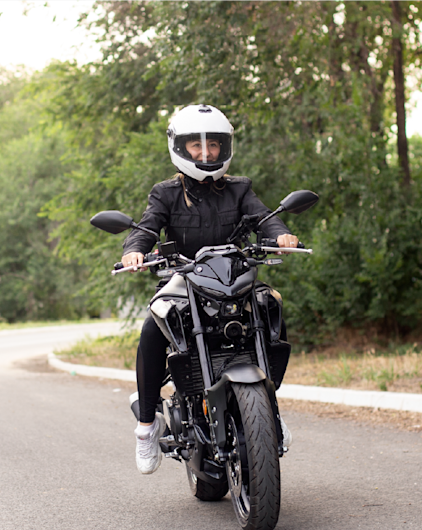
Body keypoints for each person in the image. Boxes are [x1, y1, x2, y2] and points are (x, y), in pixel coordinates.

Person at [121, 104, 299, 474]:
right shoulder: (165, 193)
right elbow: (148, 227)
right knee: (154, 324)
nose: (206, 152)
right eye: (197, 145)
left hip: (234, 274)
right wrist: (135, 251)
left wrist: (279, 235)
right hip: (185, 276)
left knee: (271, 306)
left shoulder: (239, 188)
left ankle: (268, 409)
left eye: (213, 145)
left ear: (224, 147)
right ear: (180, 148)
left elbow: (263, 217)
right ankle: (146, 426)